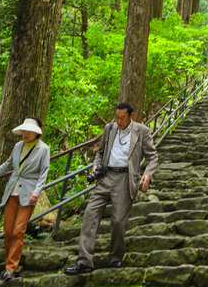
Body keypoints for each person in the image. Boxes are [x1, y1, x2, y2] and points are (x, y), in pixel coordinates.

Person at [64, 102, 158, 274]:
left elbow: (152, 156)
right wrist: (96, 166)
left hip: (125, 178)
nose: (118, 121)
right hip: (105, 177)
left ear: (131, 116)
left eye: (122, 118)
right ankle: (84, 261)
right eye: (116, 117)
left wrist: (148, 174)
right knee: (90, 215)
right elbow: (100, 153)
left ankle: (115, 257)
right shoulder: (110, 128)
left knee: (118, 222)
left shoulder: (142, 131)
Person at [0, 116, 50, 281]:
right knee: (8, 231)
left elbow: (43, 173)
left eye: (29, 130)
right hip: (12, 192)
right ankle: (8, 266)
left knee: (18, 231)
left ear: (36, 133)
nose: (26, 133)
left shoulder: (43, 149)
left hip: (28, 194)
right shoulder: (18, 146)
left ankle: (11, 267)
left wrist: (37, 191)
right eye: (24, 130)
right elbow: (8, 165)